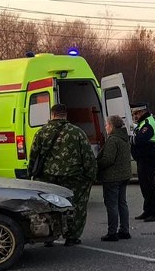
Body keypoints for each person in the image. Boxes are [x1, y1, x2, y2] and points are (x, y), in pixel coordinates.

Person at [28, 103, 96, 246]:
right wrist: (91, 175)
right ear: (65, 115)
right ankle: (72, 236)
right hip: (73, 177)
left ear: (52, 115)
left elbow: (33, 155)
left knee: (48, 206)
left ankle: (48, 236)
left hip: (47, 177)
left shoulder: (42, 132)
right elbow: (88, 156)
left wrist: (31, 175)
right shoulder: (77, 132)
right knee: (75, 206)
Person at [96, 115, 132, 241]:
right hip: (124, 175)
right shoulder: (124, 138)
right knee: (122, 203)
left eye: (106, 125)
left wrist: (96, 165)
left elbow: (108, 159)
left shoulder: (113, 140)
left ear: (111, 126)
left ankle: (112, 233)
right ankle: (124, 230)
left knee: (112, 205)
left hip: (112, 177)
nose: (105, 127)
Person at [131, 103, 155, 222]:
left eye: (136, 114)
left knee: (149, 187)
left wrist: (130, 139)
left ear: (141, 112)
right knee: (144, 187)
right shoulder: (143, 123)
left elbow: (139, 139)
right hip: (143, 159)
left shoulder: (148, 123)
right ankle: (148, 210)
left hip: (148, 159)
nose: (135, 116)